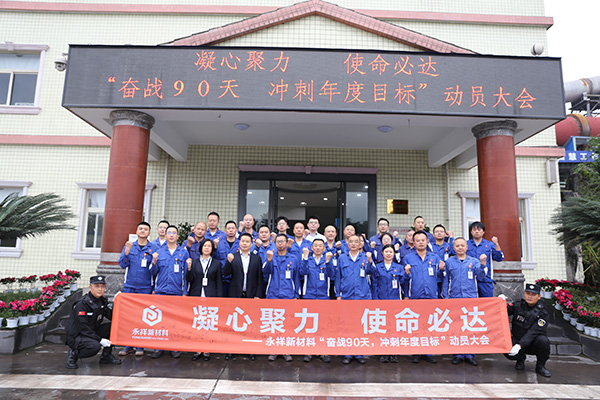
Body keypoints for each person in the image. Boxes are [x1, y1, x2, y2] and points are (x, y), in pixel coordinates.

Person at [402, 230, 445, 364]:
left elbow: (440, 278)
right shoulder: (408, 258)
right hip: (415, 296)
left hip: (431, 295)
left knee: (429, 324)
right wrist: (406, 295)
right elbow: (404, 280)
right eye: (418, 241)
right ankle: (416, 352)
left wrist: (442, 270)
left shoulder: (435, 258)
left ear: (427, 241)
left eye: (423, 240)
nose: (420, 243)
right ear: (413, 243)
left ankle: (428, 352)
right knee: (416, 324)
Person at [442, 237, 484, 366]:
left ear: (467, 247)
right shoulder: (449, 262)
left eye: (462, 245)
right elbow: (446, 280)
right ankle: (458, 354)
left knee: (470, 326)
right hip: (454, 297)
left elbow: (481, 276)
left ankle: (470, 354)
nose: (460, 248)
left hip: (470, 297)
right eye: (457, 246)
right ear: (453, 248)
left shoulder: (474, 261)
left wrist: (483, 265)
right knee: (456, 326)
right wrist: (445, 297)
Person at [222, 232, 264, 361]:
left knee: (251, 324)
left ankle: (250, 349)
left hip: (251, 295)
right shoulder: (233, 257)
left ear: (251, 244)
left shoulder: (256, 258)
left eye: (247, 241)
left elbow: (259, 278)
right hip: (236, 294)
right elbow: (225, 273)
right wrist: (228, 262)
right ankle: (232, 349)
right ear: (239, 243)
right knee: (235, 323)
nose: (245, 243)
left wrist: (258, 295)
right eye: (242, 241)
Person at [150, 225, 190, 359]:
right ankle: (158, 348)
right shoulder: (158, 252)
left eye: (174, 233)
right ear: (165, 236)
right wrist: (154, 262)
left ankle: (174, 347)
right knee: (160, 320)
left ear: (178, 236)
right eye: (169, 233)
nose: (171, 235)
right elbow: (153, 273)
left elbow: (186, 275)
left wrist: (185, 292)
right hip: (161, 291)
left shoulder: (183, 253)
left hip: (176, 291)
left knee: (175, 321)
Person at [335, 234, 376, 364]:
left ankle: (359, 353)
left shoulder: (365, 257)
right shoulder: (342, 258)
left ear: (360, 244)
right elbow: (338, 277)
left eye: (356, 242)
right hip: (346, 296)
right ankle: (347, 353)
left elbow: (372, 272)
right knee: (347, 325)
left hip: (362, 296)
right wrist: (338, 294)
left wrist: (370, 261)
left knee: (360, 325)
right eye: (351, 241)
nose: (353, 244)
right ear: (347, 244)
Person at [65, 275, 122, 369]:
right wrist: (100, 340)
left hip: (91, 331)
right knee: (94, 346)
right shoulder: (82, 304)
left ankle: (106, 356)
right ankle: (73, 354)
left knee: (113, 327)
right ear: (90, 287)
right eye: (97, 286)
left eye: (102, 286)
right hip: (78, 335)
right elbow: (83, 328)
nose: (100, 289)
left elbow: (112, 316)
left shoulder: (102, 301)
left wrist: (117, 303)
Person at [117, 221, 155, 357]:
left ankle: (140, 345)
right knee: (129, 316)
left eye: (145, 229)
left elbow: (155, 270)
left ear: (149, 233)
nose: (143, 231)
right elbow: (122, 264)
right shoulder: (129, 245)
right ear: (136, 231)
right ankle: (128, 345)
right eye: (141, 228)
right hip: (130, 286)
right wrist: (126, 252)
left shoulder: (153, 248)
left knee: (142, 317)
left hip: (145, 287)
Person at [263, 233, 301, 362]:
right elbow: (265, 273)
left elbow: (296, 278)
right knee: (274, 323)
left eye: (282, 241)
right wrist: (268, 261)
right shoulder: (270, 256)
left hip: (288, 295)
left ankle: (286, 350)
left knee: (287, 323)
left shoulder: (293, 258)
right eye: (278, 242)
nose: (280, 244)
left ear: (286, 243)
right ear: (274, 243)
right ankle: (274, 350)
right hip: (273, 295)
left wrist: (296, 295)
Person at [502, 283, 551, 377]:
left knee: (543, 341)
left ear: (539, 296)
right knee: (505, 345)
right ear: (524, 294)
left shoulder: (542, 313)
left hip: (532, 344)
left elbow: (533, 332)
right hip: (517, 340)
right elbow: (503, 311)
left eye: (533, 294)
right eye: (528, 293)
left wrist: (520, 345)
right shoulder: (518, 305)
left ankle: (540, 366)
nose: (530, 296)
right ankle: (520, 359)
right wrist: (500, 302)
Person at [299, 239, 335, 363]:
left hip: (323, 296)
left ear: (324, 248)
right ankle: (309, 351)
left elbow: (331, 275)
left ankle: (322, 351)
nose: (318, 248)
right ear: (312, 248)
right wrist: (304, 258)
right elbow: (302, 272)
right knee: (309, 324)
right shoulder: (307, 260)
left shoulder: (327, 259)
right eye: (316, 246)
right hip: (309, 296)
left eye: (320, 246)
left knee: (323, 325)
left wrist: (328, 262)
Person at [187, 238, 223, 361]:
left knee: (208, 323)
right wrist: (189, 269)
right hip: (196, 295)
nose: (207, 248)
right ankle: (198, 348)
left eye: (209, 246)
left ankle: (207, 348)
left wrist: (219, 299)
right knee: (198, 323)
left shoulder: (216, 263)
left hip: (210, 296)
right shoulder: (195, 262)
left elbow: (219, 282)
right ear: (201, 248)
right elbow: (189, 279)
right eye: (205, 246)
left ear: (212, 249)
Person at [370, 244, 403, 363]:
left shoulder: (399, 267)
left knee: (393, 327)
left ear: (394, 254)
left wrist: (407, 273)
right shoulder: (377, 267)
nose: (388, 254)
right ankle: (383, 351)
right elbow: (374, 285)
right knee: (382, 327)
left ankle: (393, 352)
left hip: (395, 301)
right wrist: (375, 300)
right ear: (382, 253)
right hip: (381, 300)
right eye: (386, 252)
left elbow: (403, 283)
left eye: (391, 252)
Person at [466, 221, 504, 297]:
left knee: (486, 301)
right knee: (471, 301)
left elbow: (499, 258)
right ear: (471, 232)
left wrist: (496, 244)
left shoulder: (489, 244)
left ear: (483, 232)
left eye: (479, 230)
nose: (477, 231)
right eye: (474, 230)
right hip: (469, 279)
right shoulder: (466, 244)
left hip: (486, 279)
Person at [430, 224, 455, 298]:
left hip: (447, 275)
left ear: (445, 234)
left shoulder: (449, 245)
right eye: (437, 232)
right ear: (433, 235)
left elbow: (454, 252)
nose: (439, 233)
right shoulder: (429, 246)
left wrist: (451, 237)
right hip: (434, 275)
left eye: (441, 231)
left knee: (446, 296)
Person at [215, 220, 240, 297]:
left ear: (236, 230)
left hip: (236, 279)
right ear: (225, 231)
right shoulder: (219, 244)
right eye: (229, 228)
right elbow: (215, 259)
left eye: (233, 228)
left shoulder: (240, 244)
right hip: (222, 279)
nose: (231, 230)